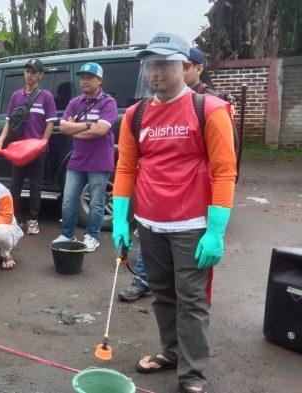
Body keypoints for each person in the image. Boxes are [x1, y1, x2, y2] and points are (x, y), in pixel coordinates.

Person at [113, 32, 237, 393]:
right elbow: (125, 168)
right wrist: (121, 220)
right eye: (151, 65)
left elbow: (224, 171)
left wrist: (216, 230)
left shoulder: (209, 110)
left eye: (164, 65)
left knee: (193, 302)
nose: (156, 73)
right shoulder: (135, 115)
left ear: (183, 66)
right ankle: (171, 351)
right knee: (163, 294)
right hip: (150, 224)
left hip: (192, 226)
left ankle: (193, 374)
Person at [54, 62, 118, 251]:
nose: (85, 81)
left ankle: (92, 236)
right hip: (77, 160)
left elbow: (102, 130)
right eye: (82, 78)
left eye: (89, 78)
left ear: (99, 80)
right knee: (68, 199)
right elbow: (64, 127)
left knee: (97, 202)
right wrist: (90, 125)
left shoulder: (108, 102)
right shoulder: (75, 102)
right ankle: (67, 234)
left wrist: (76, 128)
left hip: (100, 161)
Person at [0, 58, 57, 235]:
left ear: (41, 75)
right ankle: (14, 218)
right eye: (27, 71)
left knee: (36, 186)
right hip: (18, 150)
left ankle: (33, 219)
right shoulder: (16, 96)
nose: (29, 75)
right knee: (15, 185)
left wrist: (43, 142)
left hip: (36, 150)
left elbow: (50, 123)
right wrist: (1, 140)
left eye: (34, 72)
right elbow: (8, 122)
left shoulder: (46, 97)